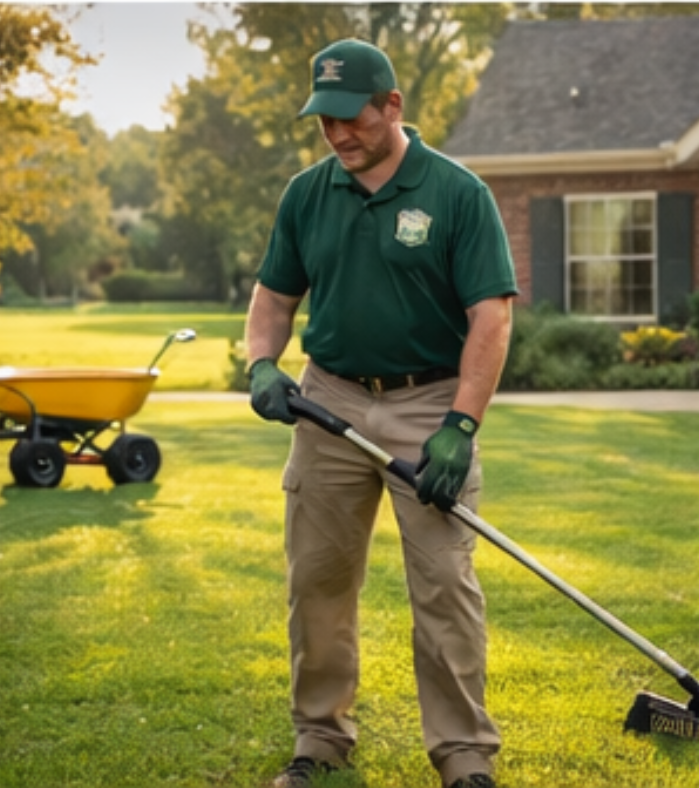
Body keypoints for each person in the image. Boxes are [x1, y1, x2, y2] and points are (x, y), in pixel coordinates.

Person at [244, 38, 518, 788]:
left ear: (391, 106)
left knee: (443, 584)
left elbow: (490, 317)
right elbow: (273, 297)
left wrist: (460, 426)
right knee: (320, 581)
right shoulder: (307, 193)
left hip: (430, 403)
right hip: (328, 398)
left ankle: (465, 757)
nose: (337, 135)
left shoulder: (457, 193)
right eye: (323, 121)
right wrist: (263, 362)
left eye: (350, 118)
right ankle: (319, 740)